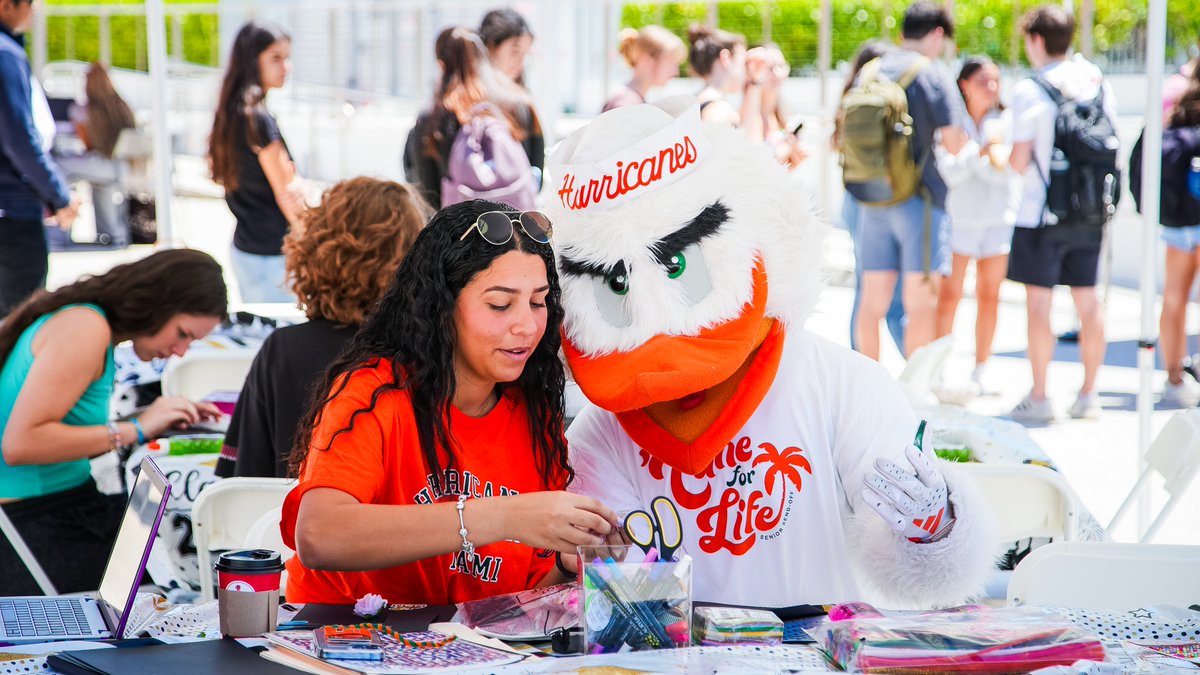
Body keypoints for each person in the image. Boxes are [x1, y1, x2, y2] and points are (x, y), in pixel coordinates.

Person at [546, 96, 992, 609]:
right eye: (616, 284)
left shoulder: (841, 382)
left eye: (676, 265)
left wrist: (935, 530)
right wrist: (591, 559)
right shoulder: (598, 436)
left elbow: (923, 574)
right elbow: (626, 602)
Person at [280, 199, 620, 605]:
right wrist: (502, 517)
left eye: (537, 301)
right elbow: (319, 535)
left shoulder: (533, 413)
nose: (526, 325)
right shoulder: (373, 394)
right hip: (345, 646)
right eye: (500, 304)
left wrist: (565, 564)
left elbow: (515, 603)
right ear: (441, 306)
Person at [0, 249, 227, 594]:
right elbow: (21, 445)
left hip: (59, 507)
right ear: (158, 304)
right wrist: (134, 429)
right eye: (183, 334)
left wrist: (149, 419)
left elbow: (60, 430)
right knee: (168, 592)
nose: (181, 351)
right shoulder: (84, 328)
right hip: (34, 525)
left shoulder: (86, 321)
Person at [215, 178, 433, 479]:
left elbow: (243, 483)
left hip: (288, 522)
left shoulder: (283, 350)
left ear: (317, 247)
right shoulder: (432, 353)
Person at [1006, 5, 1116, 423]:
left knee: (1039, 305)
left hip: (1041, 213)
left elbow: (1018, 161)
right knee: (1089, 303)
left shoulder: (1030, 90)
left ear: (1035, 40)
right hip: (1091, 213)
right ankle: (1089, 394)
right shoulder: (1096, 82)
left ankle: (1039, 397)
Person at [852, 2, 967, 362]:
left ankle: (866, 391)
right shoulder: (933, 74)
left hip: (873, 198)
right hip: (921, 201)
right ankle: (916, 402)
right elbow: (953, 141)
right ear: (937, 34)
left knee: (871, 302)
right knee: (920, 303)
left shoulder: (870, 71)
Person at [935, 56, 1017, 392]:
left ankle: (981, 369)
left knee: (989, 295)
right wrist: (979, 154)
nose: (992, 88)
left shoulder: (1007, 121)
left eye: (996, 80)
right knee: (949, 295)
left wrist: (973, 156)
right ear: (965, 85)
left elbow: (1007, 174)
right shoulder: (951, 121)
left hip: (997, 221)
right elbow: (950, 173)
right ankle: (937, 369)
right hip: (959, 221)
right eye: (984, 80)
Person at [209, 20, 305, 303]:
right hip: (273, 255)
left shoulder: (231, 114)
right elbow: (287, 192)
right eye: (276, 58)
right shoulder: (258, 120)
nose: (285, 66)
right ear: (252, 61)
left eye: (287, 57)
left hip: (246, 248)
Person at [404, 27, 544, 210]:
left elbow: (425, 194)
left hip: (461, 234)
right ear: (484, 58)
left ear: (441, 66)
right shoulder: (519, 104)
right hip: (516, 229)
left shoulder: (432, 120)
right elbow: (536, 175)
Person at [0, 0, 79, 318]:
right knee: (19, 323)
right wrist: (58, 195)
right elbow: (20, 140)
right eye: (31, 4)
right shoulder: (5, 55)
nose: (35, 11)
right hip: (11, 214)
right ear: (7, 6)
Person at [839, 39, 905, 355]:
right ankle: (906, 354)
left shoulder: (851, 94)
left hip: (854, 195)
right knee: (885, 290)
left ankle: (860, 357)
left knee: (866, 285)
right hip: (883, 194)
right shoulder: (886, 95)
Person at [57, 63, 137, 247]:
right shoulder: (122, 106)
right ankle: (112, 234)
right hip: (124, 165)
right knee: (97, 180)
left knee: (58, 167)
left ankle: (58, 230)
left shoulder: (86, 109)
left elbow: (87, 144)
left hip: (106, 165)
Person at [602, 25, 687, 113]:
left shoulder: (632, 101)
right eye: (671, 62)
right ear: (646, 60)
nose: (676, 72)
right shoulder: (625, 104)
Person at [478, 8, 533, 86]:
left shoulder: (517, 92)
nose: (520, 63)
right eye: (515, 52)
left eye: (524, 54)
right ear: (490, 46)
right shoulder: (470, 92)